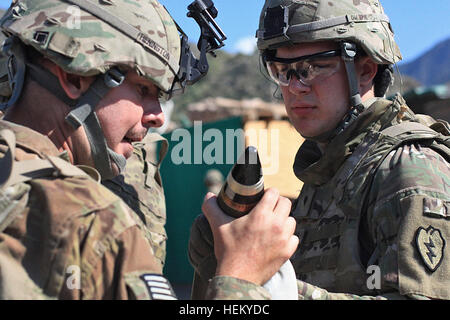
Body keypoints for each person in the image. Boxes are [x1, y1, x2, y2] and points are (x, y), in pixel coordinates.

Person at [0, 0, 298, 300]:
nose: (158, 116)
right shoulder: (88, 221)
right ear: (75, 76)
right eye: (144, 89)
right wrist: (240, 275)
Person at [189, 0, 449, 300]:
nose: (293, 87)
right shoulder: (331, 169)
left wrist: (276, 287)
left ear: (365, 70)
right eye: (280, 70)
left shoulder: (409, 168)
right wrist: (222, 258)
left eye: (310, 68)